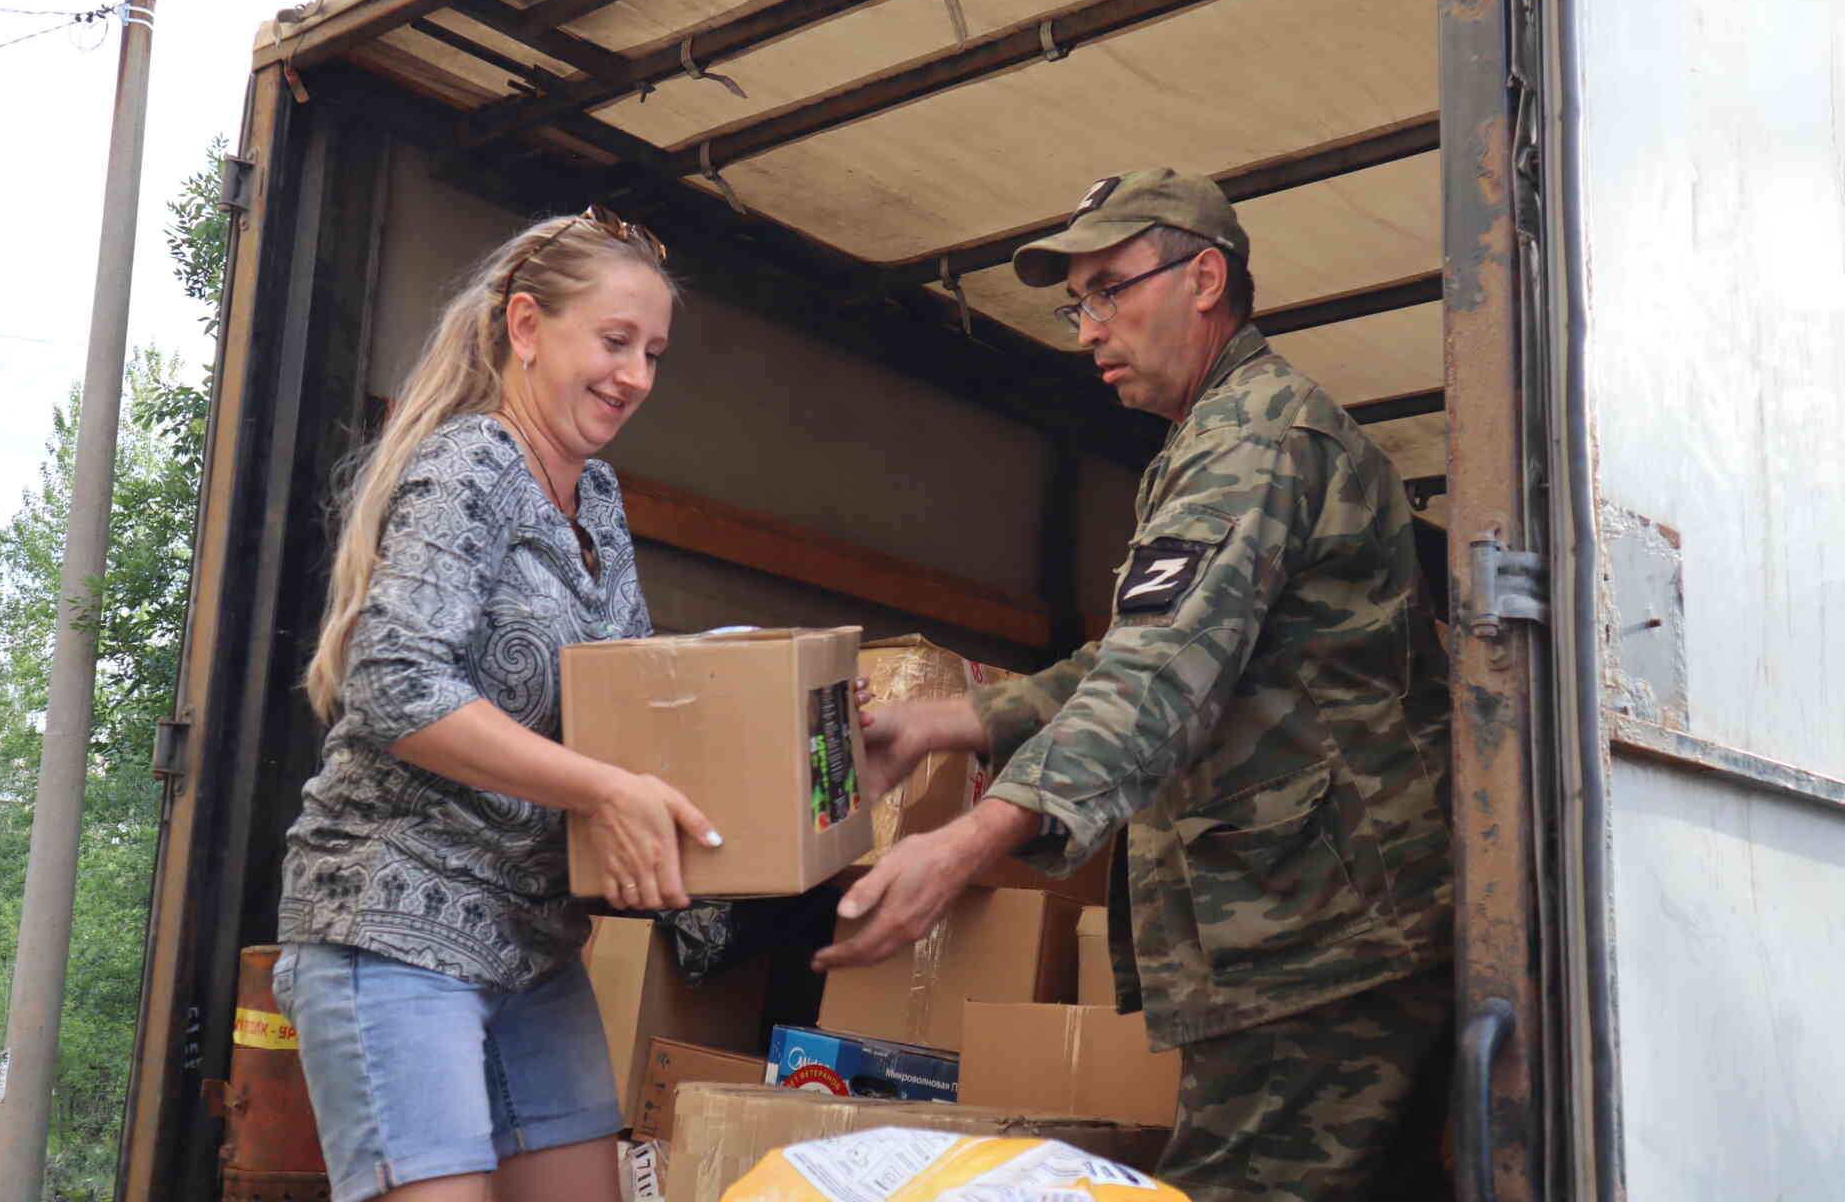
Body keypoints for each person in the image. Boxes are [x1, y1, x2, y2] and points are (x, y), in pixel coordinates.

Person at [814, 170, 1455, 1200]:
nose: (1087, 329)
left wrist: (973, 837)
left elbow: (1159, 673)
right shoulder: (1212, 440)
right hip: (1314, 934)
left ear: (1206, 277)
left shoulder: (1255, 441)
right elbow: (1135, 652)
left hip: (1319, 944)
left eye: (1111, 288)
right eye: (1079, 303)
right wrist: (952, 718)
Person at [274, 207, 722, 1202]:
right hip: (396, 923)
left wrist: (808, 738)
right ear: (526, 326)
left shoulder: (598, 498)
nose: (636, 375)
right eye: (614, 341)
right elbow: (395, 683)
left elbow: (633, 705)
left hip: (532, 944)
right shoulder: (470, 462)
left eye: (653, 351)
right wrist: (604, 789)